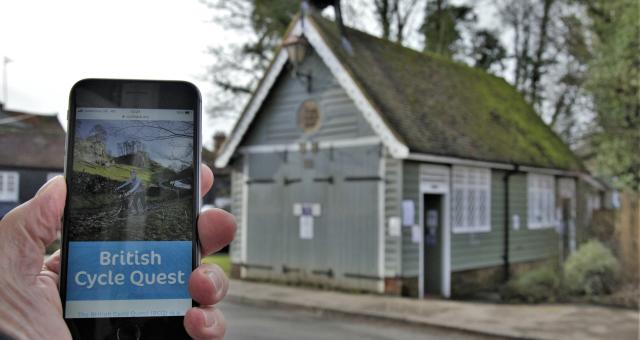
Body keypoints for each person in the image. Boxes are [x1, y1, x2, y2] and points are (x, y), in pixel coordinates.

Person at [0, 164, 234, 340]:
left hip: (139, 195)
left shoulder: (137, 180)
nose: (131, 176)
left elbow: (133, 186)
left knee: (135, 204)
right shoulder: (131, 179)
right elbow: (126, 185)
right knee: (129, 204)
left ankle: (134, 215)